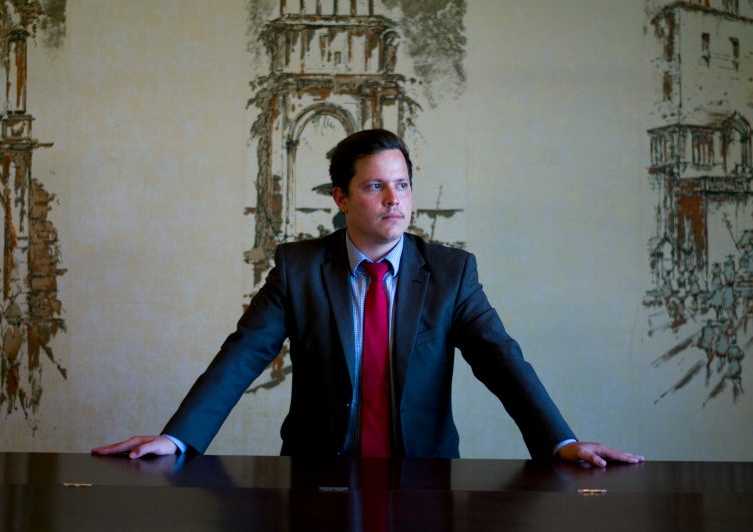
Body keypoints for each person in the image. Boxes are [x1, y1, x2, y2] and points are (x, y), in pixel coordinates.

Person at [93, 129, 644, 467]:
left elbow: (502, 360)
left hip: (425, 477)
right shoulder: (299, 268)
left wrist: (560, 442)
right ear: (341, 198)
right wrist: (177, 438)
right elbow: (241, 356)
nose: (393, 200)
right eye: (374, 186)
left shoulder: (451, 273)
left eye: (401, 185)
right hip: (316, 475)